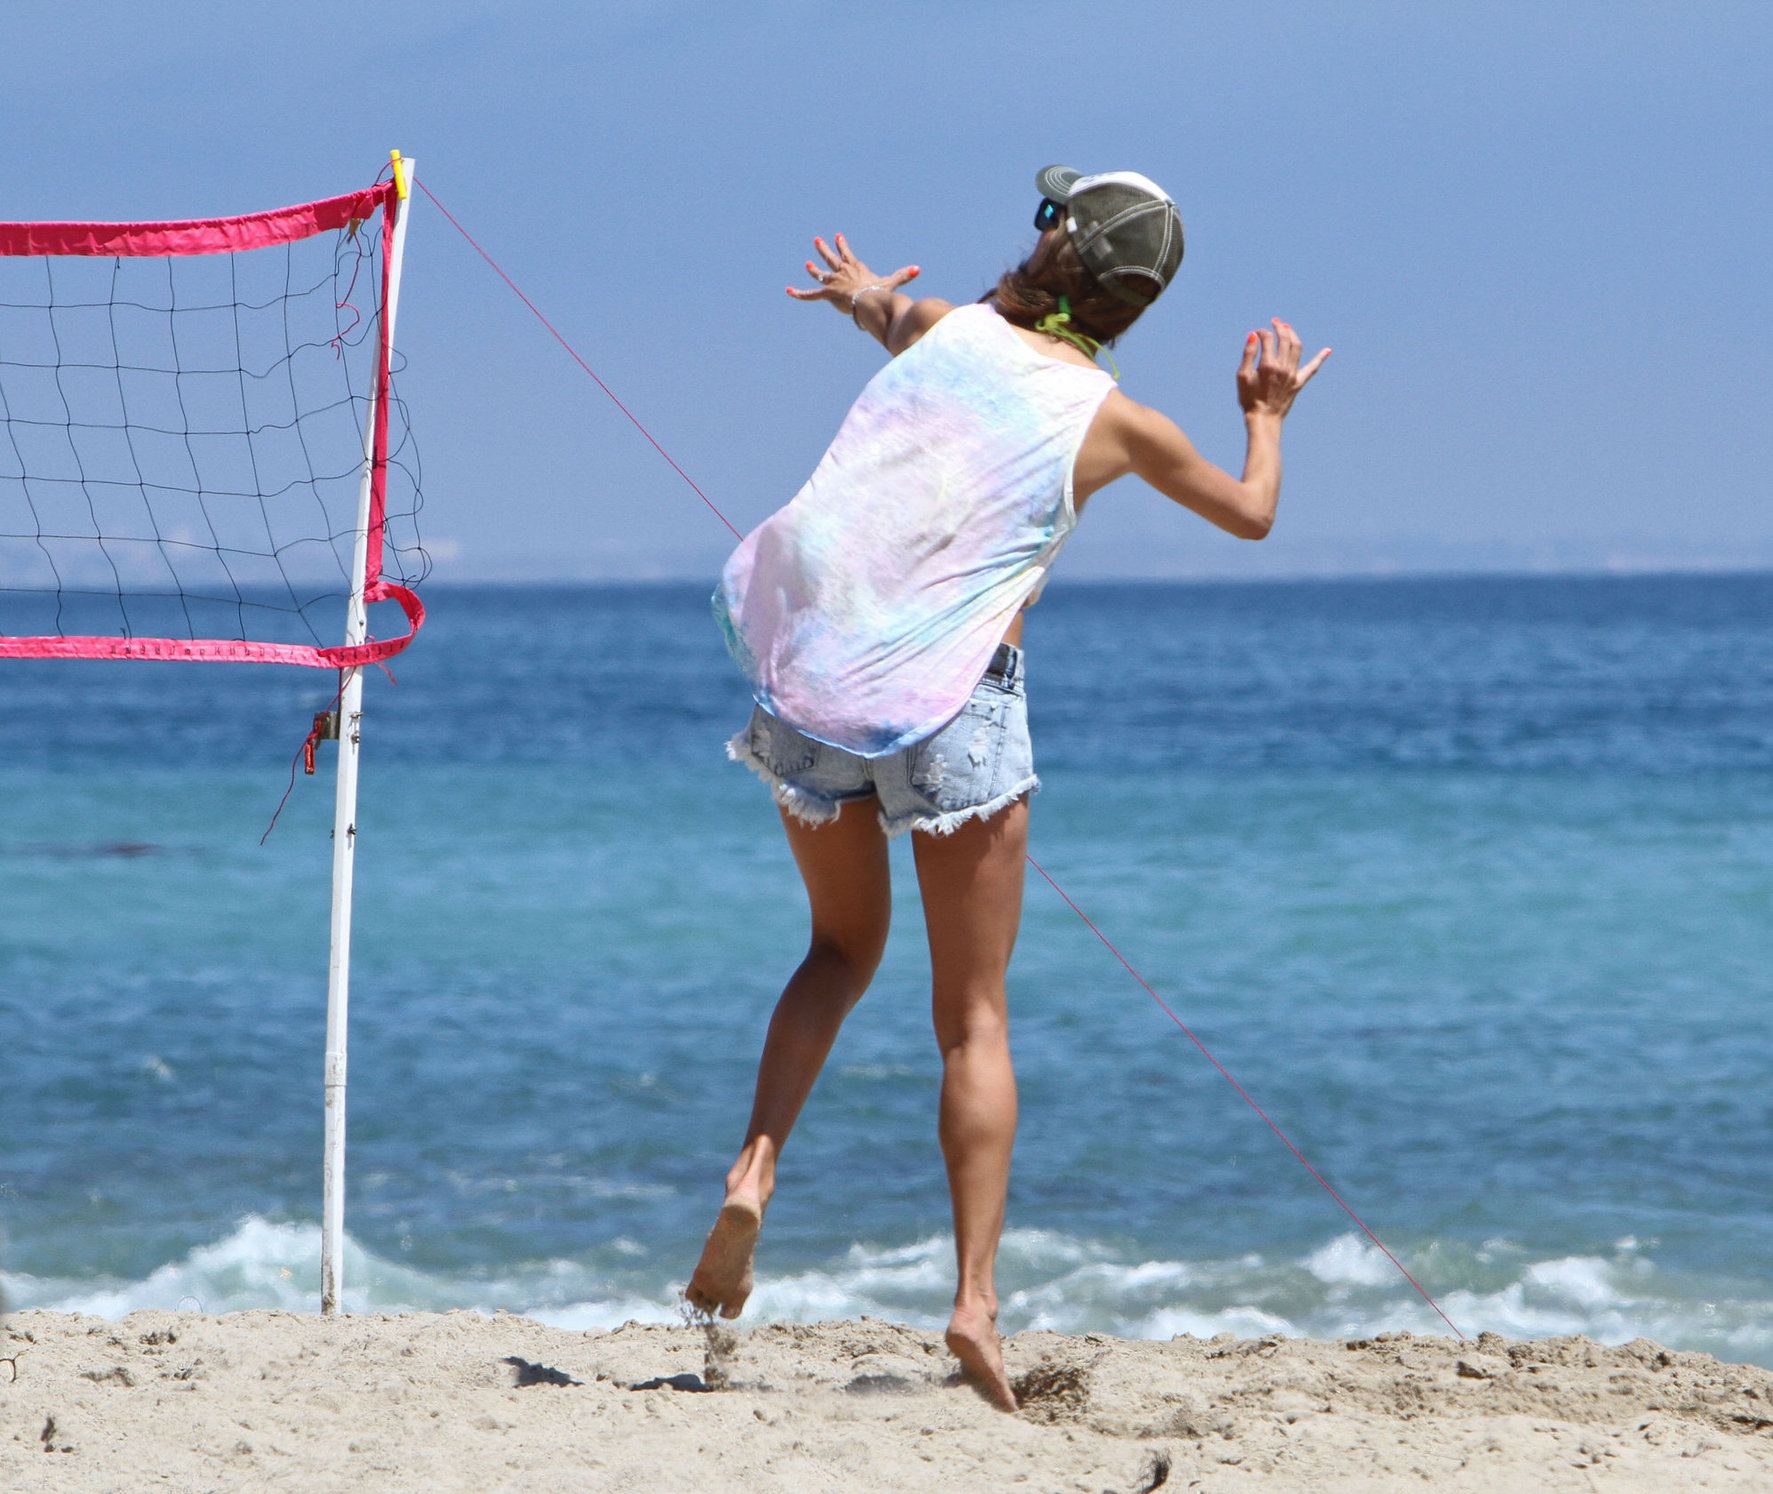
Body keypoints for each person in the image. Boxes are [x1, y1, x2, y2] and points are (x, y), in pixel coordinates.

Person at [687, 166, 1329, 1410]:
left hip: (821, 678)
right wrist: (1267, 413)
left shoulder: (953, 331)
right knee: (971, 1018)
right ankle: (975, 1302)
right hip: (959, 705)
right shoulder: (1118, 423)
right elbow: (1252, 514)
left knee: (836, 950)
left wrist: (857, 288)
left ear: (1050, 242)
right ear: (1134, 304)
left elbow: (889, 313)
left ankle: (754, 1171)